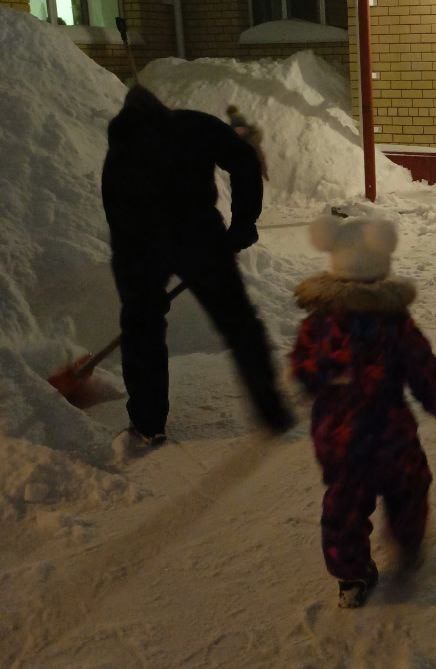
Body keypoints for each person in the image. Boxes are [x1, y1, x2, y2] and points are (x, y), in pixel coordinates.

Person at [291, 214, 436, 608]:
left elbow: (302, 368)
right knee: (409, 486)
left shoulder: (318, 323)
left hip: (337, 436)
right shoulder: (394, 324)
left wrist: (322, 376)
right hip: (389, 433)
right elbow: (424, 371)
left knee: (345, 503)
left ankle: (351, 575)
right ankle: (407, 543)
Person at [101, 84, 294, 447]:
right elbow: (244, 158)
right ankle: (272, 410)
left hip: (143, 248)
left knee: (142, 331)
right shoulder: (191, 125)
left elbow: (119, 220)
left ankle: (147, 424)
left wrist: (138, 288)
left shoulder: (119, 151)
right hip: (200, 239)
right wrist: (244, 221)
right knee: (238, 321)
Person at [226, 104, 269, 180]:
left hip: (248, 142)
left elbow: (240, 130)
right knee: (258, 156)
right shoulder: (240, 119)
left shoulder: (236, 120)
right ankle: (262, 172)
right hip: (251, 140)